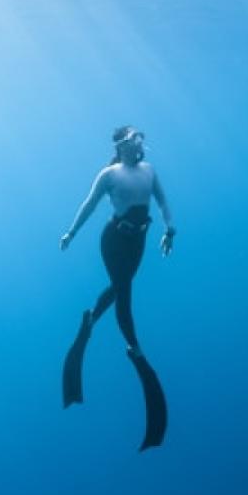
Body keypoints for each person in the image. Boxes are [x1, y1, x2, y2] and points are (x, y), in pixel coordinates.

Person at [60, 125, 175, 449]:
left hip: (138, 241)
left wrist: (171, 229)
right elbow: (89, 205)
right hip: (114, 240)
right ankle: (134, 346)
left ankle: (92, 318)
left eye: (142, 136)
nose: (141, 141)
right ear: (122, 142)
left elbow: (163, 202)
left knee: (120, 286)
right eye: (135, 136)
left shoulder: (149, 170)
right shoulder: (108, 174)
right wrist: (71, 233)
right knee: (124, 292)